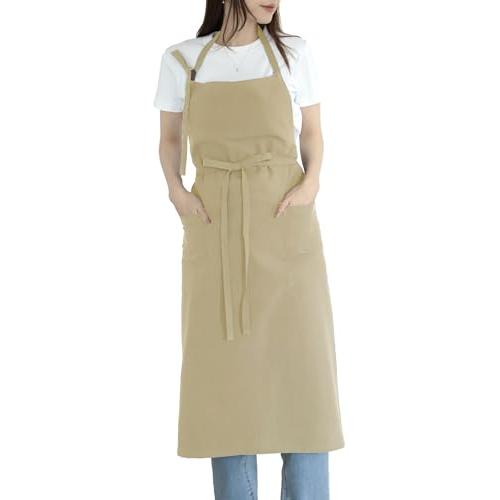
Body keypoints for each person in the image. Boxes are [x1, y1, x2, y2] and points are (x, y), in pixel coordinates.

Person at [153, 1, 345, 498]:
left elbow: (313, 132)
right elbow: (170, 139)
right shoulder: (182, 59)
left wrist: (311, 185)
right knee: (226, 394)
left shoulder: (292, 53)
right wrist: (177, 192)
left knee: (304, 388)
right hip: (215, 233)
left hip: (287, 233)